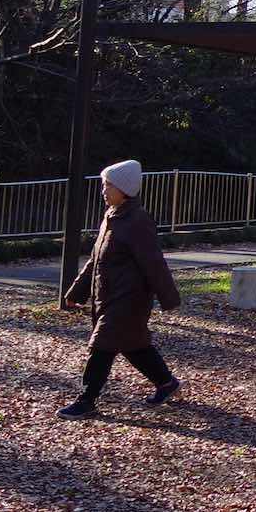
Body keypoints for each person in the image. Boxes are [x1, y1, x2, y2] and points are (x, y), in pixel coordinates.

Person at [58, 159, 182, 418]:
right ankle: (166, 382)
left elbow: (153, 261)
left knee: (102, 345)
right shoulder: (110, 217)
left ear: (124, 188)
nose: (103, 191)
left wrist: (168, 297)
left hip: (129, 299)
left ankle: (86, 399)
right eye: (103, 185)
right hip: (108, 296)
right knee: (133, 345)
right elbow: (96, 260)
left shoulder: (138, 220)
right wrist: (76, 292)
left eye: (108, 186)